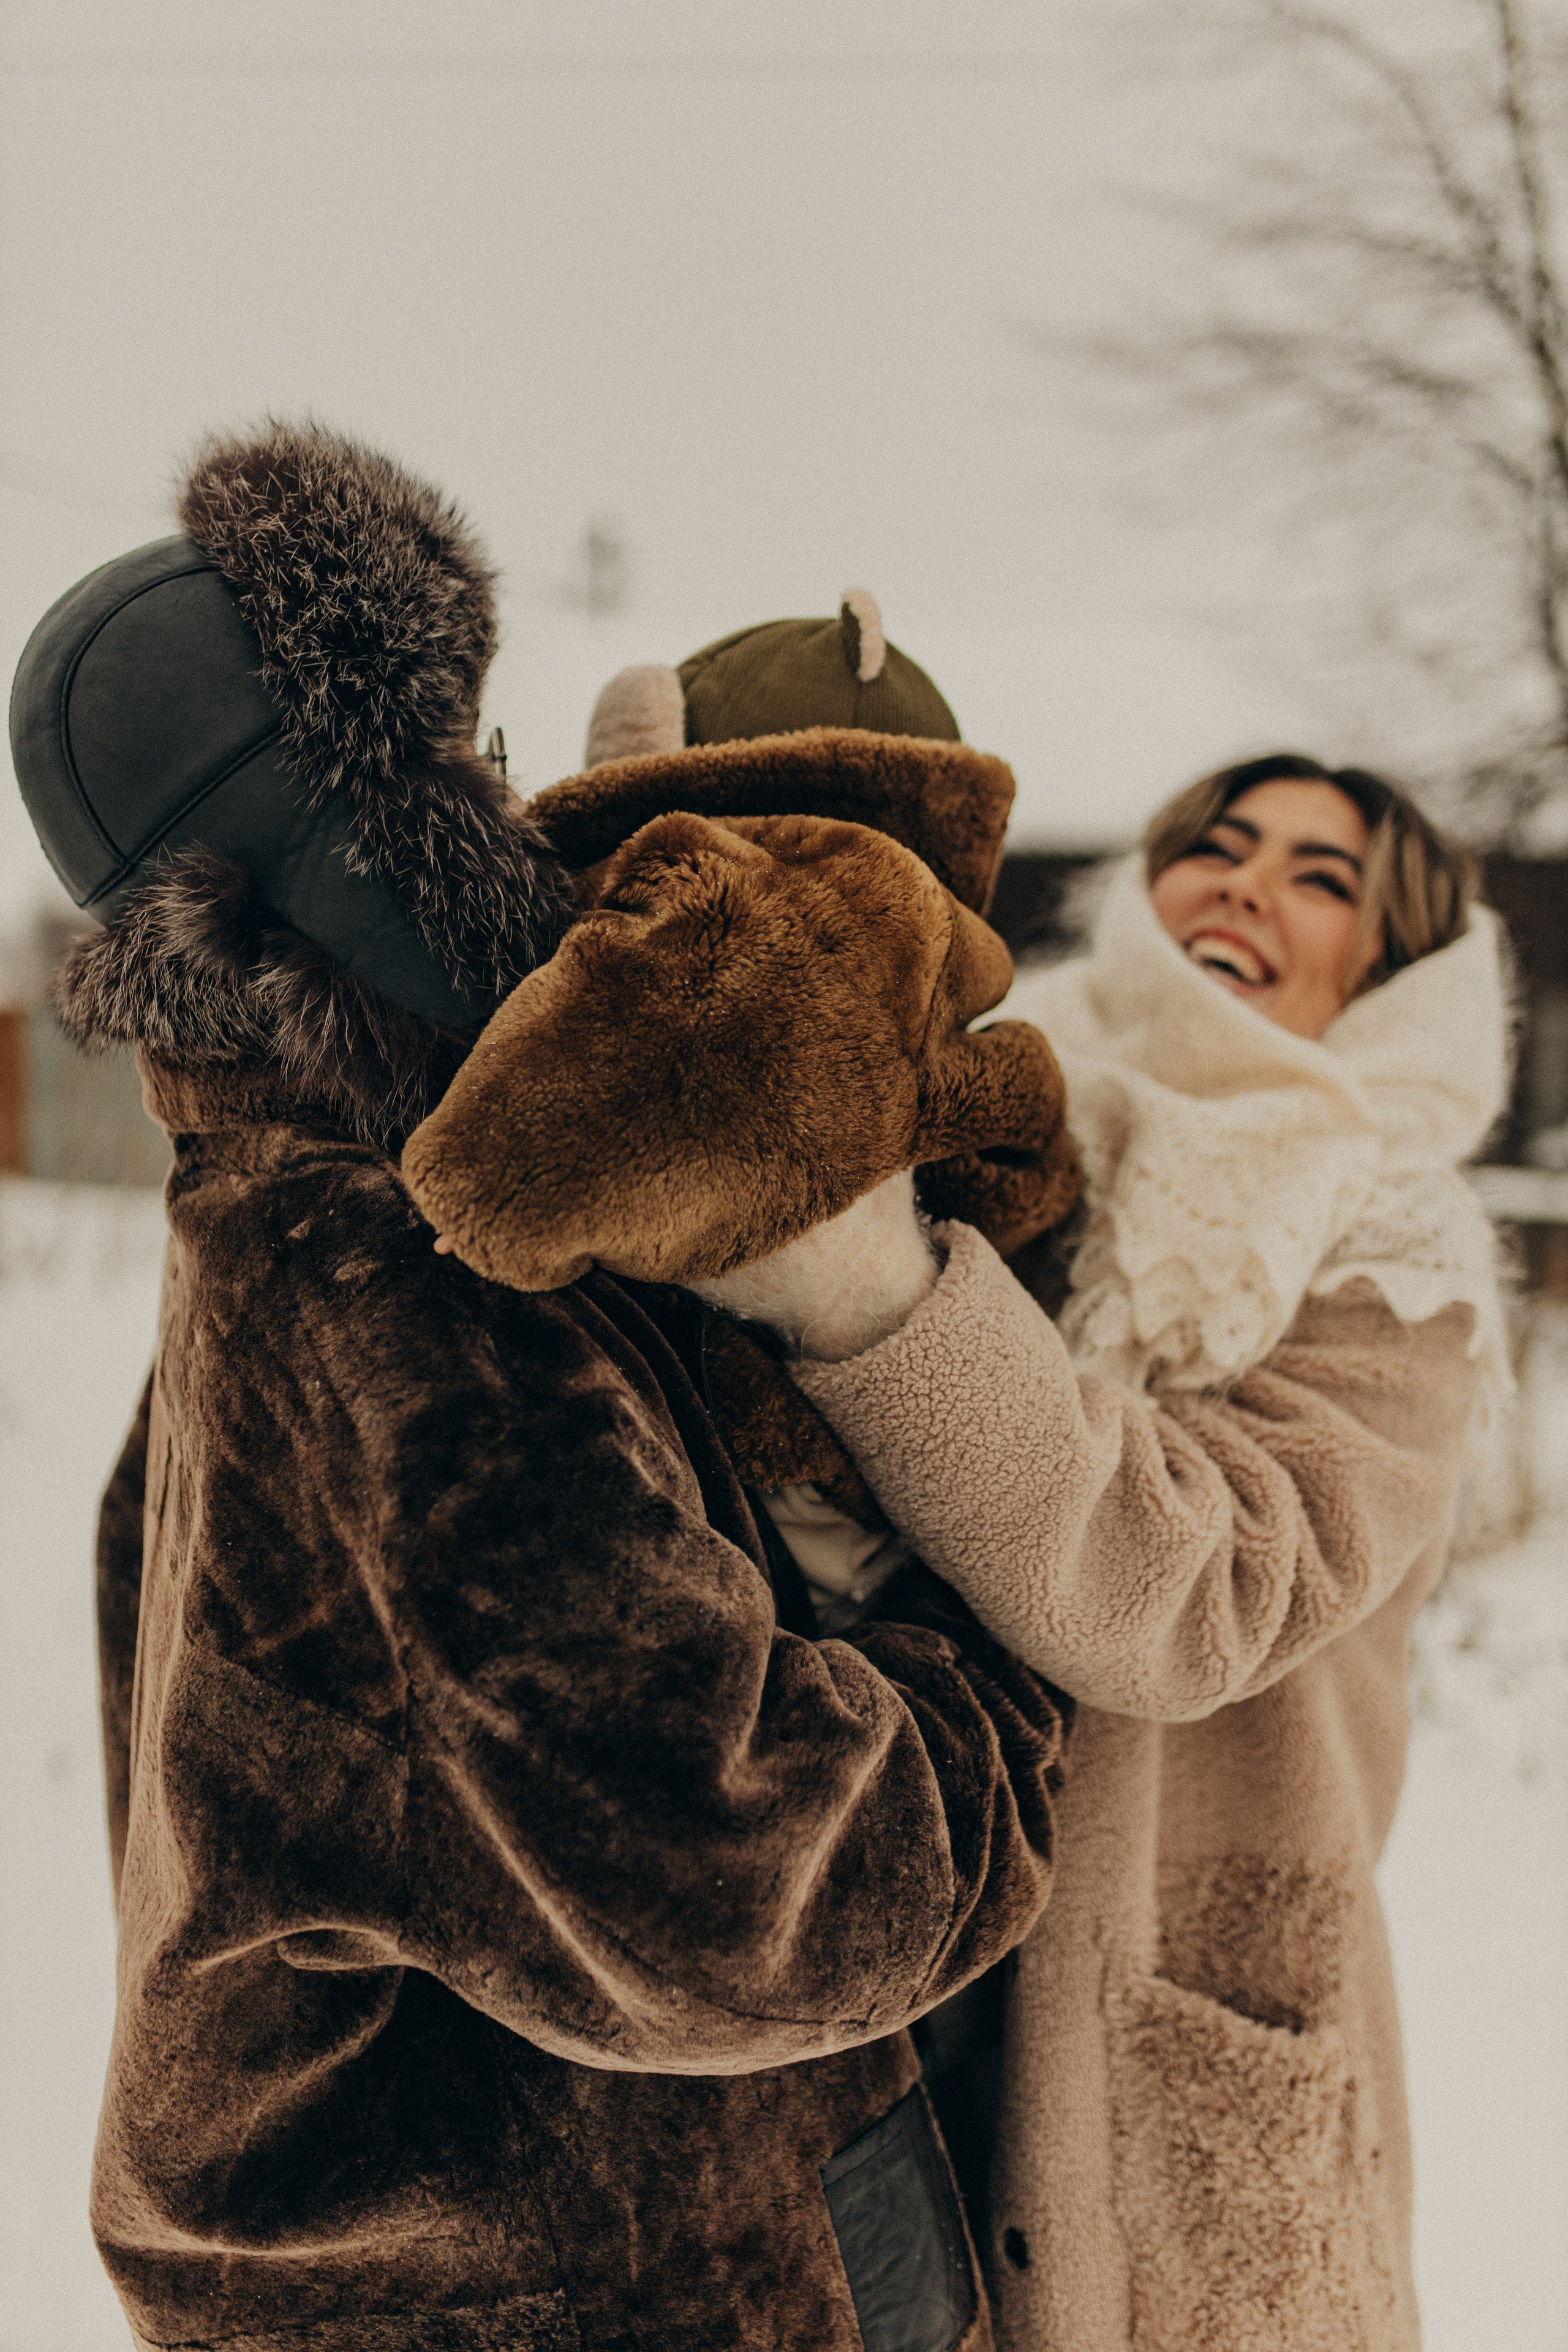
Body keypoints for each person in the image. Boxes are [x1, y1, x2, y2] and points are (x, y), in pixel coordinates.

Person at [9, 422, 1075, 2352]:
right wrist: (997, 1661)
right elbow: (757, 1877)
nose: (520, 812)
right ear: (357, 834)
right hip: (584, 2282)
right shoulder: (398, 1287)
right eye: (461, 759)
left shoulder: (256, 1209)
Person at [701, 755, 1509, 2350]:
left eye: (1321, 876)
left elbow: (1194, 1595)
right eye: (1217, 845)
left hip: (1170, 2033)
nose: (1247, 885)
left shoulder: (1401, 1266)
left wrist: (869, 1283)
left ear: (1394, 966)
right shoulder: (988, 1121)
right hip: (888, 1973)